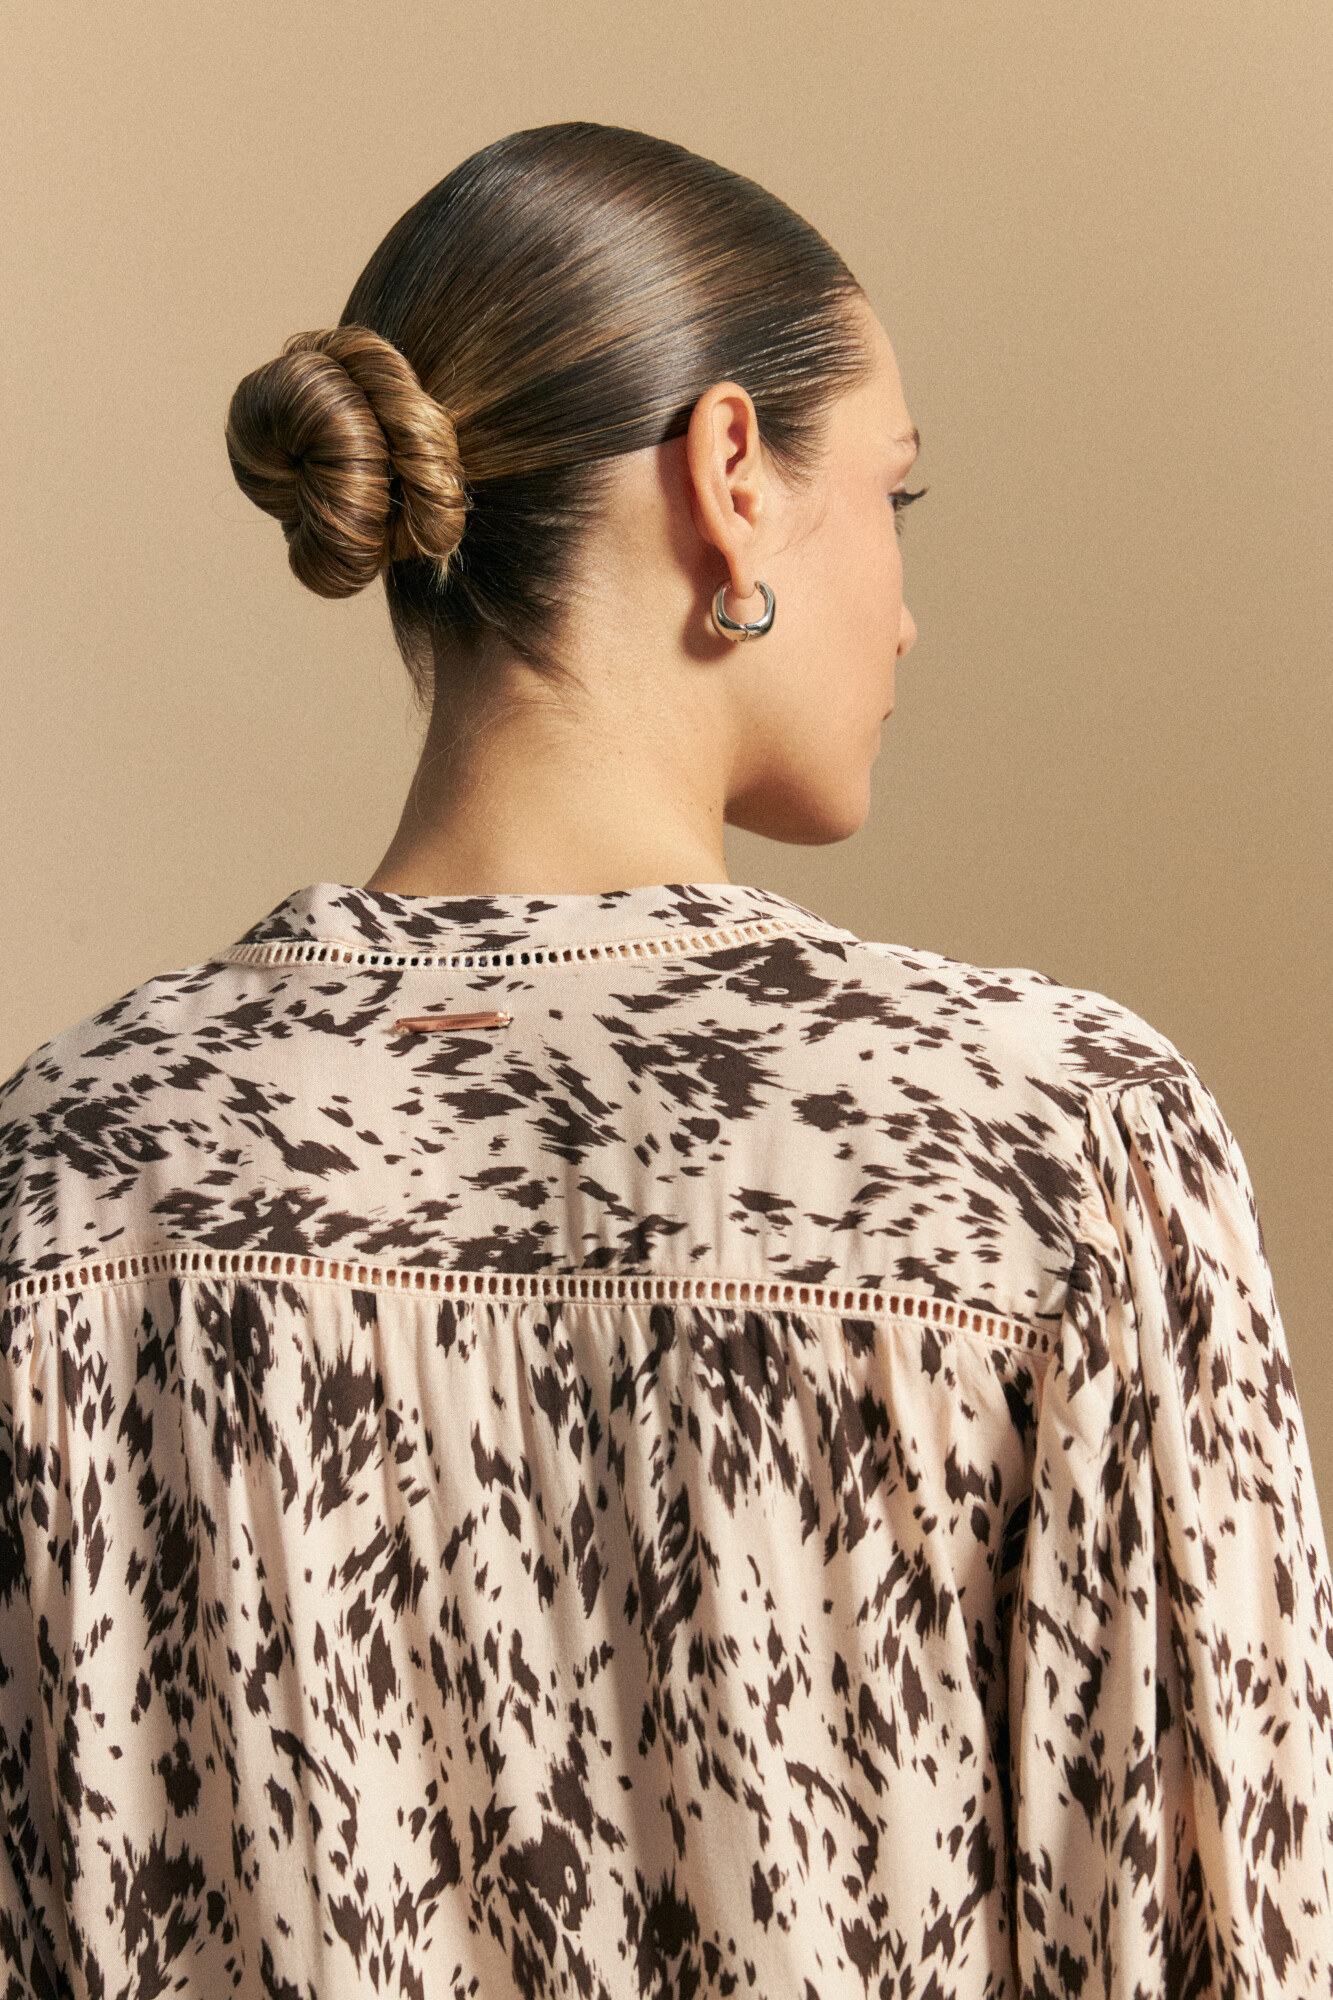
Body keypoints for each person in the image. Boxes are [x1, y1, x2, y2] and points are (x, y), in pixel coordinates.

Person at [0, 120, 1328, 2000]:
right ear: (729, 476)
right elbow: (1222, 1936)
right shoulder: (1053, 1149)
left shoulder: (65, 1175)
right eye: (895, 494)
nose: (907, 609)